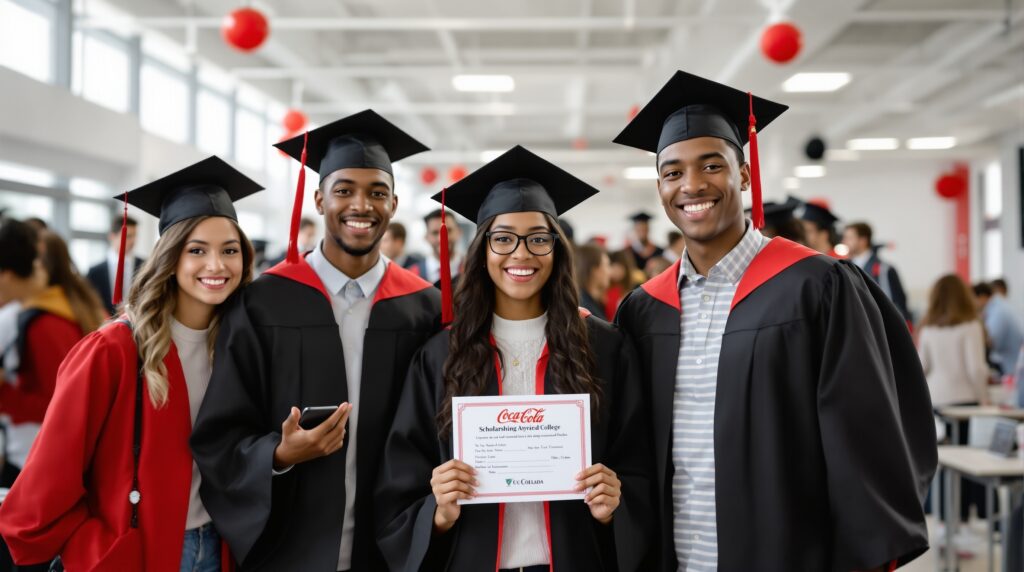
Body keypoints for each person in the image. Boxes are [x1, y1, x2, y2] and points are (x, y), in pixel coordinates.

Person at [611, 69, 935, 571]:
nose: (692, 185)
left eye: (711, 165)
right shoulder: (643, 308)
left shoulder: (817, 287)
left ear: (743, 174)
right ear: (659, 188)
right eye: (673, 172)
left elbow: (865, 439)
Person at [375, 145, 651, 572]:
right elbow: (400, 483)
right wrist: (438, 511)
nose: (520, 254)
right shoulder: (442, 355)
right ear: (483, 251)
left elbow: (639, 463)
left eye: (538, 239)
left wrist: (616, 503)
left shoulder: (604, 347)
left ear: (557, 249)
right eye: (502, 238)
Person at [191, 110, 441, 571]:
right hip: (290, 548)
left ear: (394, 203)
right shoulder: (264, 302)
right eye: (344, 190)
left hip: (388, 548)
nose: (361, 205)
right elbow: (219, 433)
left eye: (377, 193)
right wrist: (279, 453)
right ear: (319, 199)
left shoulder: (424, 307)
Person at [0, 156, 262, 571]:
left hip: (222, 547)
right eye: (197, 250)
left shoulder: (241, 347)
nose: (217, 265)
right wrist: (93, 542)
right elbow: (51, 469)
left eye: (230, 250)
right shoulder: (115, 349)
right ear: (170, 257)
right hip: (138, 551)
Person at [917, 275, 990, 407]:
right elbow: (976, 369)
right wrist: (984, 397)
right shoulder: (971, 327)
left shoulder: (927, 329)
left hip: (935, 397)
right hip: (964, 397)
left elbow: (922, 367)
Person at [842, 222, 912, 324]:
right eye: (845, 238)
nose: (844, 242)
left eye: (849, 238)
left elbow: (899, 305)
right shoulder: (844, 268)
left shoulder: (884, 270)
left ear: (863, 241)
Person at [87, 215, 146, 315]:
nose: (133, 241)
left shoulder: (145, 266)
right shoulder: (94, 272)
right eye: (128, 236)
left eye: (135, 236)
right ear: (112, 236)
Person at [973, 281, 1024, 375]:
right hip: (1012, 362)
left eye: (974, 300)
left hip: (1011, 365)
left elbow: (991, 342)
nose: (973, 304)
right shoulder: (999, 306)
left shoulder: (998, 311)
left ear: (982, 297)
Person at [417, 208, 463, 285]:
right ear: (426, 237)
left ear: (459, 232)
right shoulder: (413, 274)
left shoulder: (473, 270)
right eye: (435, 233)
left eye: (448, 230)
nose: (441, 239)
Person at [575, 243, 612, 319]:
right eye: (607, 265)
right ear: (594, 270)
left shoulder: (592, 302)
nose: (610, 272)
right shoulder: (585, 310)